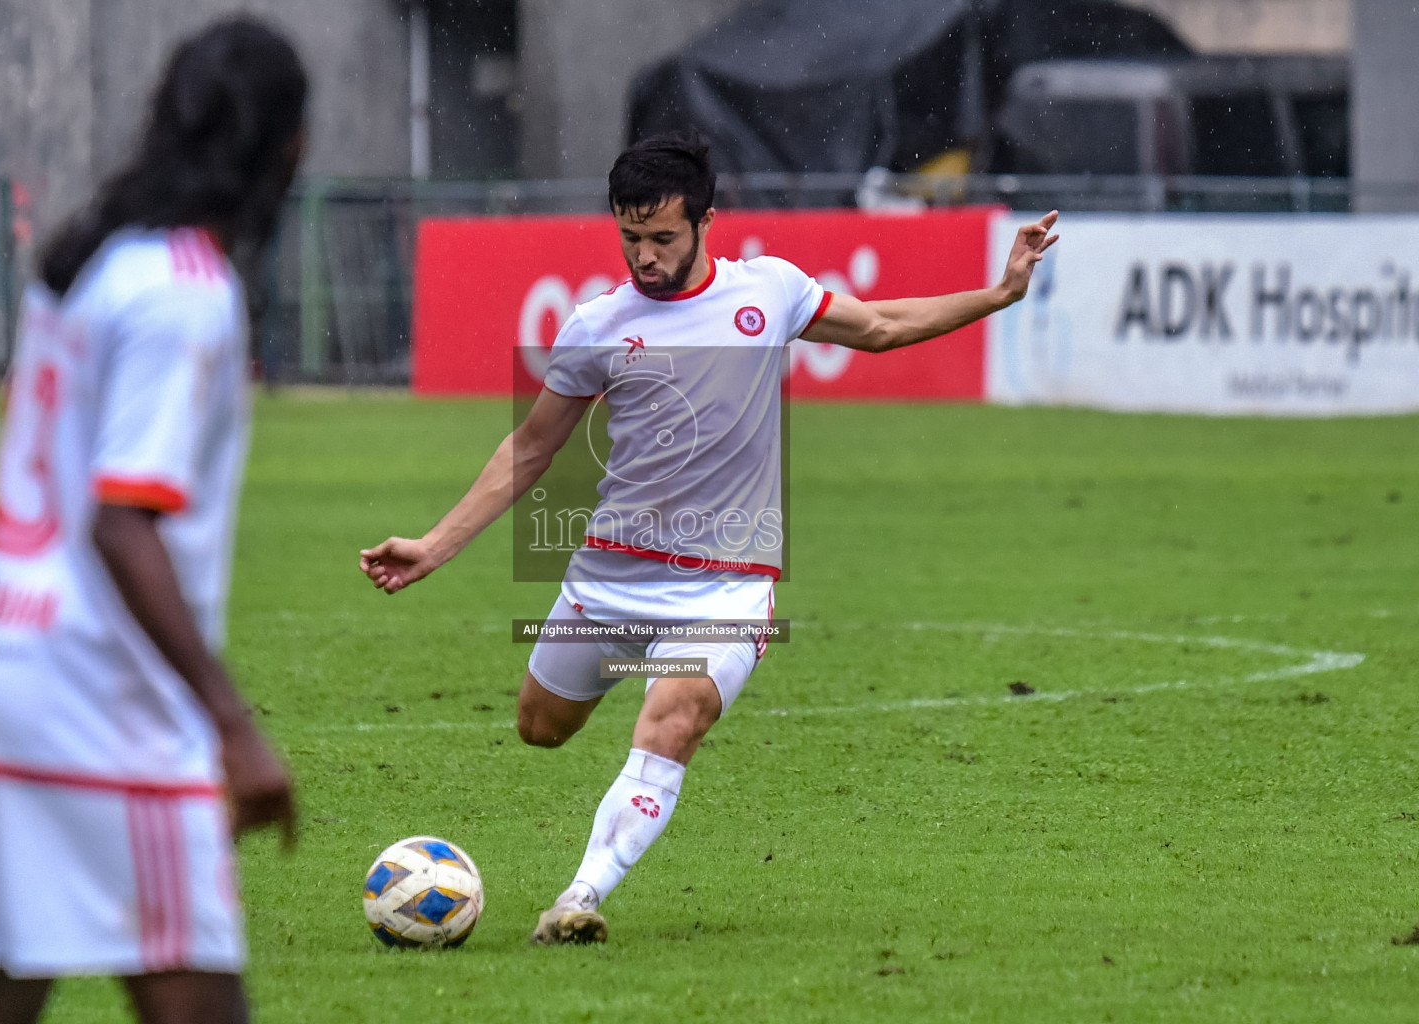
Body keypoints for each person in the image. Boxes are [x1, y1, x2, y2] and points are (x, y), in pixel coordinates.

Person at [359, 133, 1058, 945]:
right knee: (540, 727)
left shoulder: (770, 292)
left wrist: (1000, 293)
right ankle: (635, 677)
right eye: (631, 238)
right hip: (610, 579)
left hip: (725, 586)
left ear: (705, 222)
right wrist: (436, 545)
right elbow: (531, 447)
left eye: (662, 237)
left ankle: (578, 898)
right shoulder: (598, 325)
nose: (646, 257)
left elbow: (884, 326)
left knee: (673, 719)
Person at [0, 17, 306, 1024]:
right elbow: (122, 521)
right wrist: (233, 725)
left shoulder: (94, 258)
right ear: (288, 146)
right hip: (101, 698)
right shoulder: (184, 289)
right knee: (199, 1002)